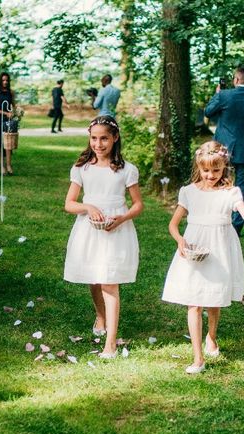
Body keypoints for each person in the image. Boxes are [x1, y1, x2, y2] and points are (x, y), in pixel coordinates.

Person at [162, 141, 244, 374]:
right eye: (206, 170)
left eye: (216, 170)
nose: (211, 175)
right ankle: (198, 357)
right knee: (194, 301)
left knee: (213, 298)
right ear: (198, 168)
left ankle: (211, 336)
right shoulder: (188, 192)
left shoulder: (231, 192)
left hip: (220, 248)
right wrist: (180, 240)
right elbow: (173, 224)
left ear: (224, 168)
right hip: (194, 246)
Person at [64, 116, 144, 359]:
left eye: (104, 139)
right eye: (94, 138)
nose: (98, 144)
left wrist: (121, 218)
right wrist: (88, 207)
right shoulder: (81, 168)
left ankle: (110, 344)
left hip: (116, 229)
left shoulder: (127, 170)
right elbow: (69, 204)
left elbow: (138, 204)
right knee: (94, 278)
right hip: (89, 229)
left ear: (115, 138)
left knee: (110, 281)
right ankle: (100, 315)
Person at [204, 66, 244, 235]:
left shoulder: (224, 96)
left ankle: (216, 220)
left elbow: (208, 111)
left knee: (217, 183)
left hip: (222, 149)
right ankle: (236, 227)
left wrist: (217, 94)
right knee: (242, 189)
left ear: (237, 80)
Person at [0, 72, 16, 174]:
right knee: (1, 142)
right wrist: (5, 113)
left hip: (8, 120)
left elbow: (14, 106)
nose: (5, 82)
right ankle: (2, 166)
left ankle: (9, 165)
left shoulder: (11, 92)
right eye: (3, 80)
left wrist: (14, 112)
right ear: (0, 81)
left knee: (8, 142)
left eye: (7, 80)